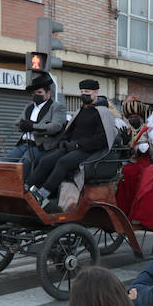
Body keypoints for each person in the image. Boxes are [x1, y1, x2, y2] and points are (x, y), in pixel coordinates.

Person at [27, 81, 110, 211]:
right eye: (82, 92)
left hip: (89, 151)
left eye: (87, 92)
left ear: (96, 93)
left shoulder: (103, 112)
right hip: (72, 147)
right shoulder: (81, 110)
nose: (84, 95)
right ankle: (27, 189)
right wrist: (64, 141)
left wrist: (78, 144)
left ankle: (43, 194)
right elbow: (70, 130)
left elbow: (101, 140)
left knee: (63, 162)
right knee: (45, 161)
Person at [3, 72, 65, 172]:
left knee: (22, 165)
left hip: (40, 146)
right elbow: (18, 121)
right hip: (24, 143)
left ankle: (24, 186)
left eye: (39, 93)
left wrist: (33, 127)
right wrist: (22, 125)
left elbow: (56, 126)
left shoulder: (56, 107)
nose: (36, 95)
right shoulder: (29, 106)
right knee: (4, 163)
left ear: (48, 93)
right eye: (34, 93)